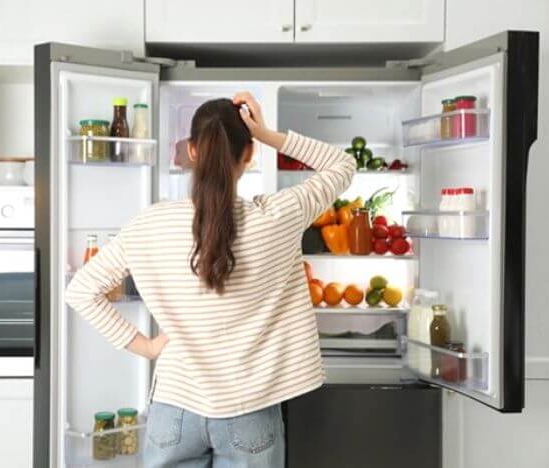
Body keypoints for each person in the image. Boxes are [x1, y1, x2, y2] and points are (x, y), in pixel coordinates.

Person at [65, 91, 356, 467]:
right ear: (248, 155)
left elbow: (81, 291)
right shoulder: (279, 216)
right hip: (249, 410)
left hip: (174, 410)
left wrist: (149, 347)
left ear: (192, 151)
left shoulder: (150, 223)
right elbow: (342, 165)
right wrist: (266, 133)